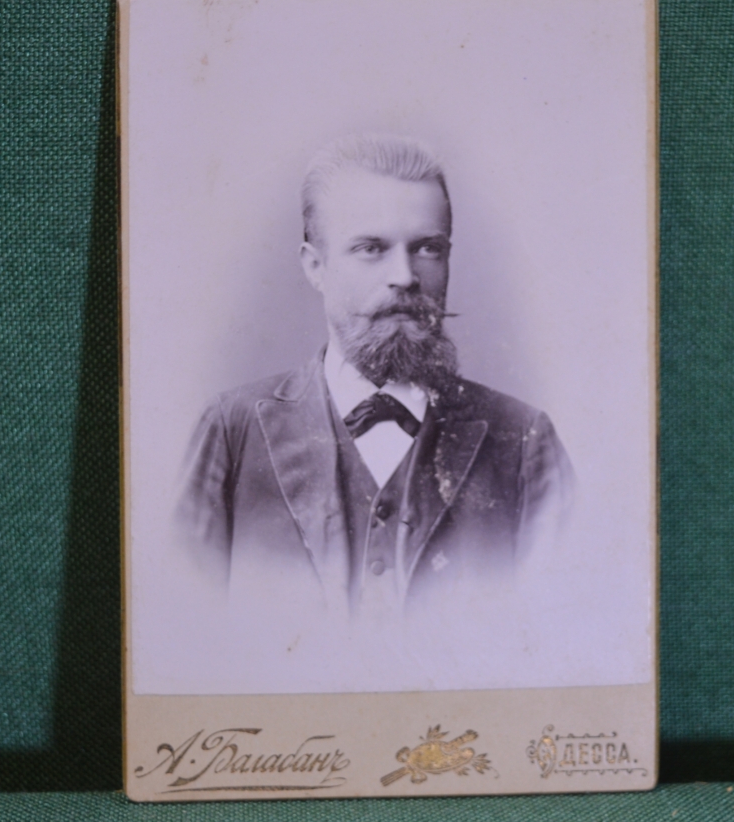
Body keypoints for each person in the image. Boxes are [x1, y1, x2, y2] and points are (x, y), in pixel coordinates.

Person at [175, 134, 573, 620]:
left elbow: (559, 636)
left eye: (428, 248)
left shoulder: (525, 441)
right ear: (315, 267)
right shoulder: (231, 431)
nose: (405, 275)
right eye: (371, 248)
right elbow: (184, 632)